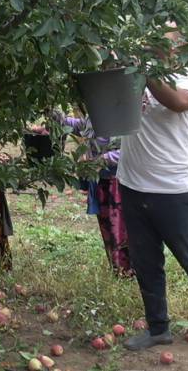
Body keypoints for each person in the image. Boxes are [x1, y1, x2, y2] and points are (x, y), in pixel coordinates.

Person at [116, 29, 188, 368]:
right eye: (150, 40)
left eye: (163, 41)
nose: (154, 45)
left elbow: (179, 102)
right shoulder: (133, 75)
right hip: (132, 184)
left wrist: (145, 71)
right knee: (146, 262)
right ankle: (158, 328)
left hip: (175, 189)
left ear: (179, 47)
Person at [58, 115, 131, 276]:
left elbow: (130, 150)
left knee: (120, 227)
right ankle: (118, 269)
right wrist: (61, 119)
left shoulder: (122, 116)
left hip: (118, 182)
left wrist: (102, 159)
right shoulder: (97, 111)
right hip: (102, 181)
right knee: (109, 228)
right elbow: (84, 126)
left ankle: (128, 271)